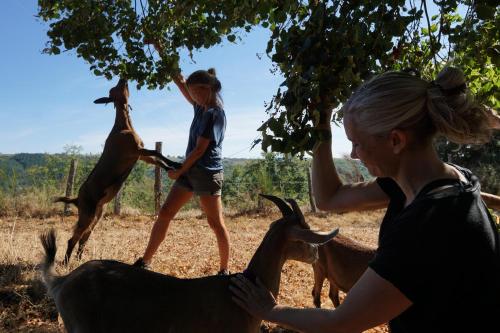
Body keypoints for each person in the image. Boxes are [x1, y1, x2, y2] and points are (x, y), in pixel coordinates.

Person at [230, 67, 500, 332]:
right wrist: (321, 125)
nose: (354, 154)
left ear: (395, 141)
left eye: (357, 143)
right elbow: (330, 197)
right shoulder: (442, 180)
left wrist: (269, 310)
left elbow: (342, 323)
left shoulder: (428, 225)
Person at [134, 67, 230, 275]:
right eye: (191, 93)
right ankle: (145, 261)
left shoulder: (215, 114)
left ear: (208, 89)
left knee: (215, 223)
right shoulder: (200, 107)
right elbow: (179, 80)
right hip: (190, 170)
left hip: (206, 173)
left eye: (195, 92)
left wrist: (178, 172)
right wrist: (160, 49)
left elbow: (198, 151)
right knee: (166, 212)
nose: (192, 96)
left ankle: (224, 270)